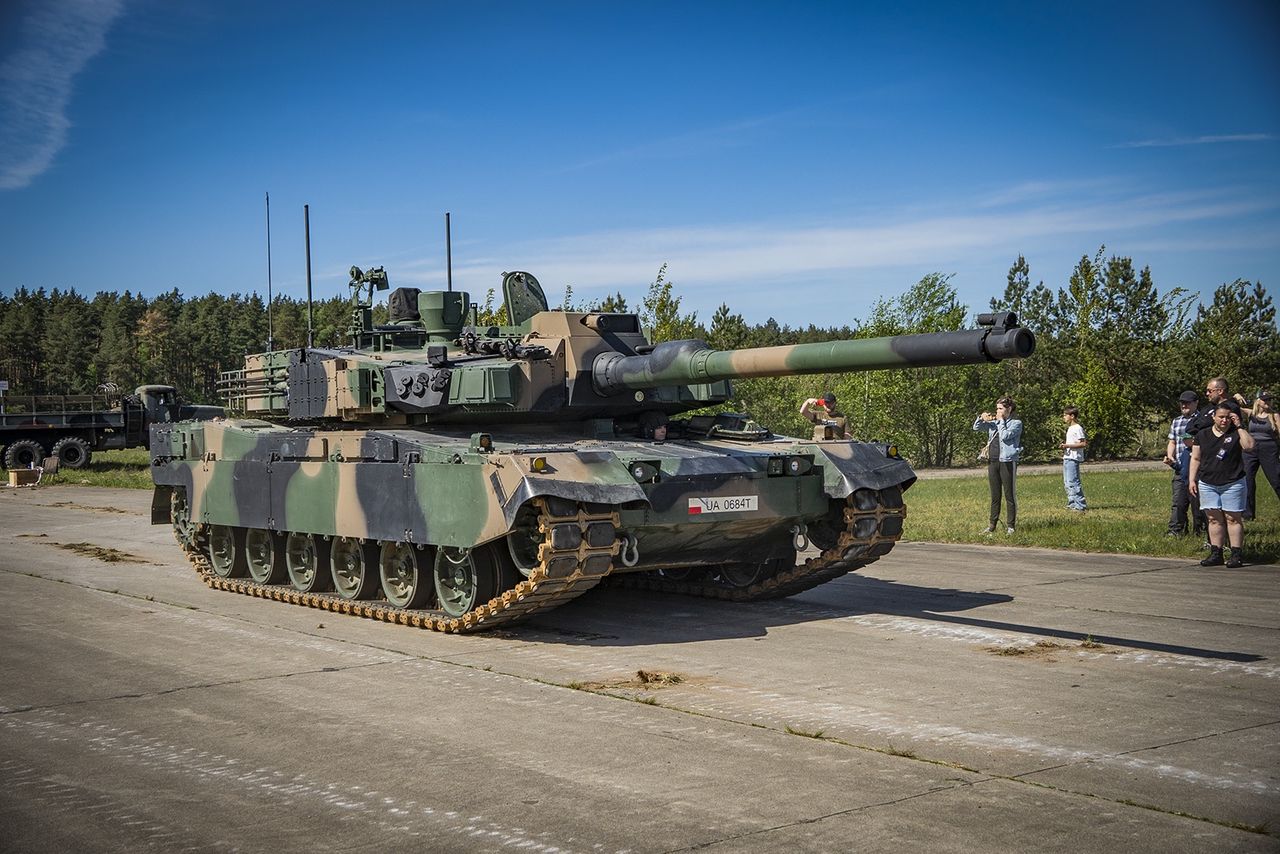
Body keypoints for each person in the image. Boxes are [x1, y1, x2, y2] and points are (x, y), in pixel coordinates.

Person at [1188, 403, 1255, 567]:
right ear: (1214, 417)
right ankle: (1216, 552)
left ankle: (1236, 554)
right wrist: (1192, 480)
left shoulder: (1236, 433)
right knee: (1213, 519)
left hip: (1232, 482)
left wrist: (1239, 426)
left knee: (1233, 518)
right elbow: (1195, 458)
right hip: (1208, 482)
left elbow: (1249, 446)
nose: (1224, 420)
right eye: (1221, 417)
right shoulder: (1202, 435)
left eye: (1228, 417)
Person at [973, 397, 1022, 534]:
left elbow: (1006, 436)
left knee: (1009, 495)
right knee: (995, 495)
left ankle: (1011, 526)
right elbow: (976, 428)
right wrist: (981, 417)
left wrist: (1000, 421)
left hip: (1007, 461)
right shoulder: (994, 423)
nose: (997, 411)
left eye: (1000, 408)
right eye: (997, 408)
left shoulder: (1016, 423)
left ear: (1009, 409)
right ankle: (992, 525)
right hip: (993, 461)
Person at [1234, 389, 1280, 520]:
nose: (1267, 402)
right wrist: (1236, 396)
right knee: (1247, 479)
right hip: (1251, 449)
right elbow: (1234, 407)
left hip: (1269, 448)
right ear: (1258, 401)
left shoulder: (1274, 415)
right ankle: (1248, 514)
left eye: (1269, 399)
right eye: (1264, 399)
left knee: (1276, 478)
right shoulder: (1251, 414)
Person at [1163, 390, 1203, 536]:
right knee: (1178, 502)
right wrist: (1170, 456)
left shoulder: (1202, 419)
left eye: (1187, 402)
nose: (1184, 405)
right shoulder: (1177, 421)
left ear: (1196, 403)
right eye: (1182, 403)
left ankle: (1200, 531)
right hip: (1180, 467)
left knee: (1197, 503)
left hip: (1198, 467)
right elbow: (1172, 441)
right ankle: (1176, 530)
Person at [1060, 406, 1087, 511]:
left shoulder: (1078, 428)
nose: (1064, 417)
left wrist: (1067, 446)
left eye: (1065, 415)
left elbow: (1083, 443)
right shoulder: (1070, 428)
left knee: (1073, 482)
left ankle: (1080, 505)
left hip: (1073, 458)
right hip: (1067, 457)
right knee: (1067, 482)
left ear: (1072, 416)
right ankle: (1072, 503)